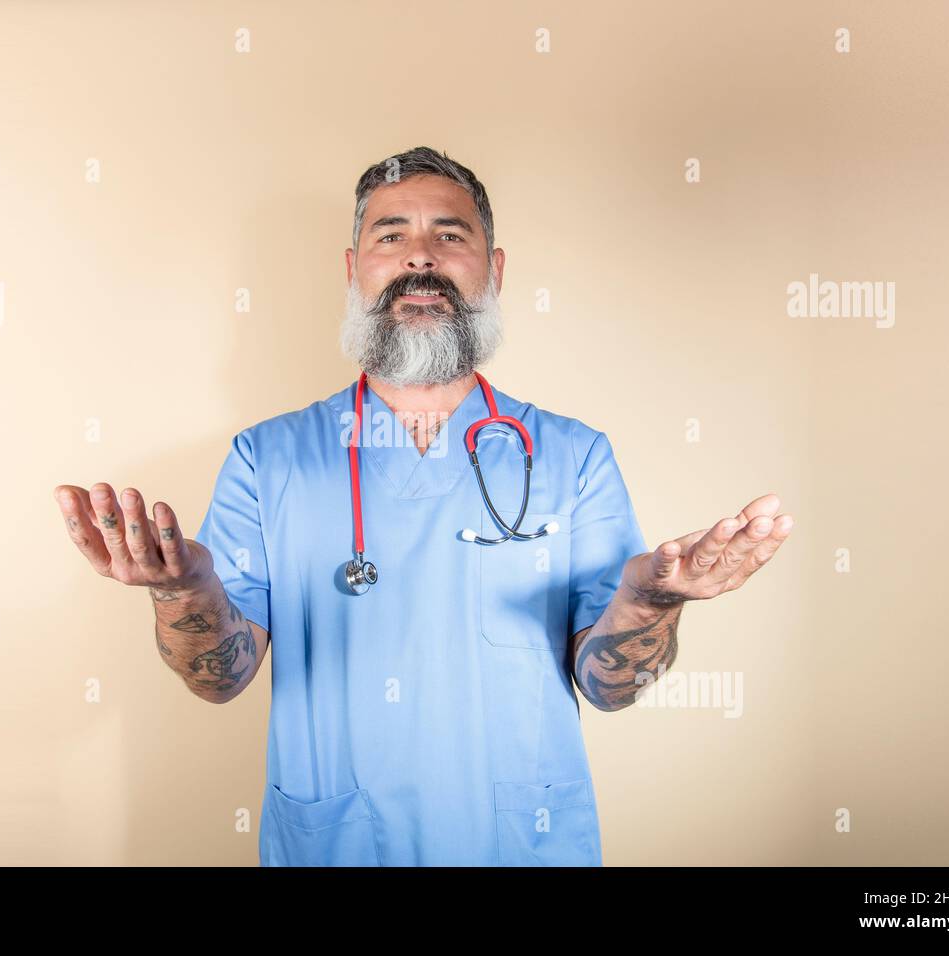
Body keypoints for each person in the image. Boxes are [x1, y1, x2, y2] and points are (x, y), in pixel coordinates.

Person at [53, 146, 793, 866]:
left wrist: (650, 600)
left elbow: (610, 686)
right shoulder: (267, 457)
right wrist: (182, 589)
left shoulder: (574, 456)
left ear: (493, 270)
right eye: (391, 234)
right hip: (338, 842)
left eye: (450, 234)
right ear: (353, 270)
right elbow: (221, 677)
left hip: (517, 845)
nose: (420, 257)